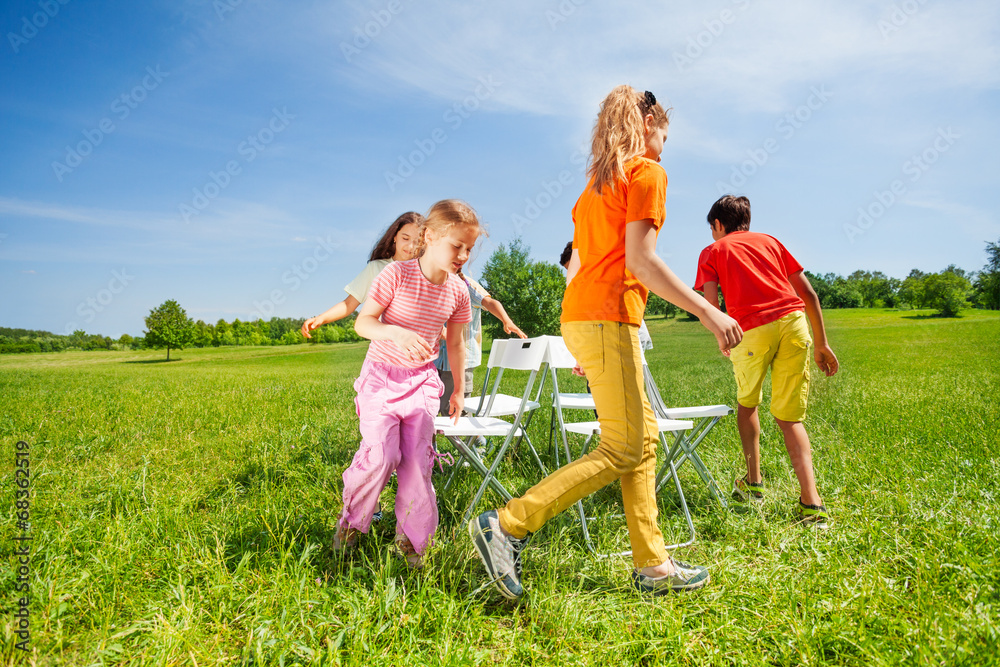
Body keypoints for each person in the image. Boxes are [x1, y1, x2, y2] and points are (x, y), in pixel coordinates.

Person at [468, 85, 743, 599]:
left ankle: (653, 565)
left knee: (642, 439)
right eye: (665, 130)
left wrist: (584, 342)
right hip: (607, 319)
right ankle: (507, 524)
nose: (666, 142)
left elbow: (577, 269)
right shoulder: (647, 174)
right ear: (647, 124)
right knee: (622, 447)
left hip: (588, 319)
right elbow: (641, 261)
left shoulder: (593, 189)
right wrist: (707, 309)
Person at [335, 200, 478, 568]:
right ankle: (352, 523)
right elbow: (363, 322)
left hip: (422, 384)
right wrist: (395, 333)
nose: (463, 255)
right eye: (456, 246)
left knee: (417, 463)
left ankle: (413, 545)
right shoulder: (396, 275)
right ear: (429, 237)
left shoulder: (458, 292)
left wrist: (459, 389)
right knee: (381, 456)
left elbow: (457, 343)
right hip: (381, 376)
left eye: (469, 248)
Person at [695, 195, 838, 528]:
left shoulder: (713, 251)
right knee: (790, 418)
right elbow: (809, 294)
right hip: (794, 323)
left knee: (748, 405)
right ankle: (812, 504)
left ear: (717, 224)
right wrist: (823, 344)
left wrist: (721, 336)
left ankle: (754, 483)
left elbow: (711, 306)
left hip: (752, 332)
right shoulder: (771, 242)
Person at [300, 212, 422, 339]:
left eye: (417, 241)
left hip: (421, 350)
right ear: (395, 237)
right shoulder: (377, 268)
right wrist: (321, 318)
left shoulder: (425, 273)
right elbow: (349, 304)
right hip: (385, 350)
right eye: (405, 238)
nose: (411, 246)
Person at [435, 270, 526, 417]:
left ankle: (476, 440)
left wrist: (506, 320)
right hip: (436, 358)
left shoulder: (466, 284)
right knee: (432, 405)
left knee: (453, 410)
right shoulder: (432, 283)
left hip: (461, 359)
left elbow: (489, 302)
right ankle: (433, 440)